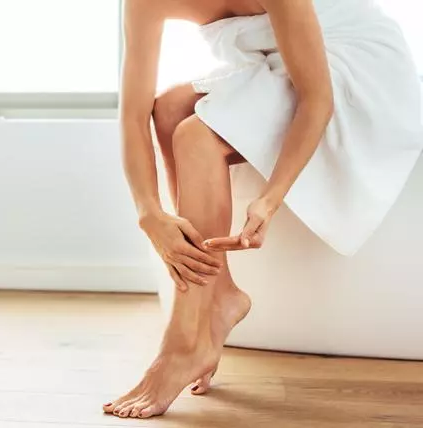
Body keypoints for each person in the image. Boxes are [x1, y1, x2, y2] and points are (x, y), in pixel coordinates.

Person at [103, 0, 423, 419]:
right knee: (168, 109)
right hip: (279, 65)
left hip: (355, 65)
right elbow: (133, 116)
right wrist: (148, 212)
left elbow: (317, 100)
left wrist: (271, 197)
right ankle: (220, 294)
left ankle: (183, 344)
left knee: (195, 137)